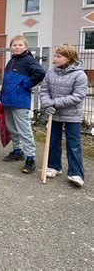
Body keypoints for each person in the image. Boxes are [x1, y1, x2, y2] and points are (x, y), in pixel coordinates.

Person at [40, 45, 88, 187]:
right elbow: (44, 89)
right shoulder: (50, 72)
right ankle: (54, 166)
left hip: (72, 115)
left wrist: (54, 103)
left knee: (73, 144)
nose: (55, 59)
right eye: (55, 56)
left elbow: (78, 96)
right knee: (53, 140)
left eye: (59, 56)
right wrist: (47, 104)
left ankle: (76, 173)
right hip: (53, 114)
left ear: (69, 58)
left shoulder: (80, 75)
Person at [0, 35, 46, 174]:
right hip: (8, 100)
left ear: (26, 47)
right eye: (14, 45)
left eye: (20, 45)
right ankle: (17, 151)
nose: (17, 47)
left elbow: (40, 73)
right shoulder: (11, 61)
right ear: (11, 48)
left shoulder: (28, 60)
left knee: (24, 130)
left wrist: (26, 84)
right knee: (12, 128)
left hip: (20, 101)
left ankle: (30, 158)